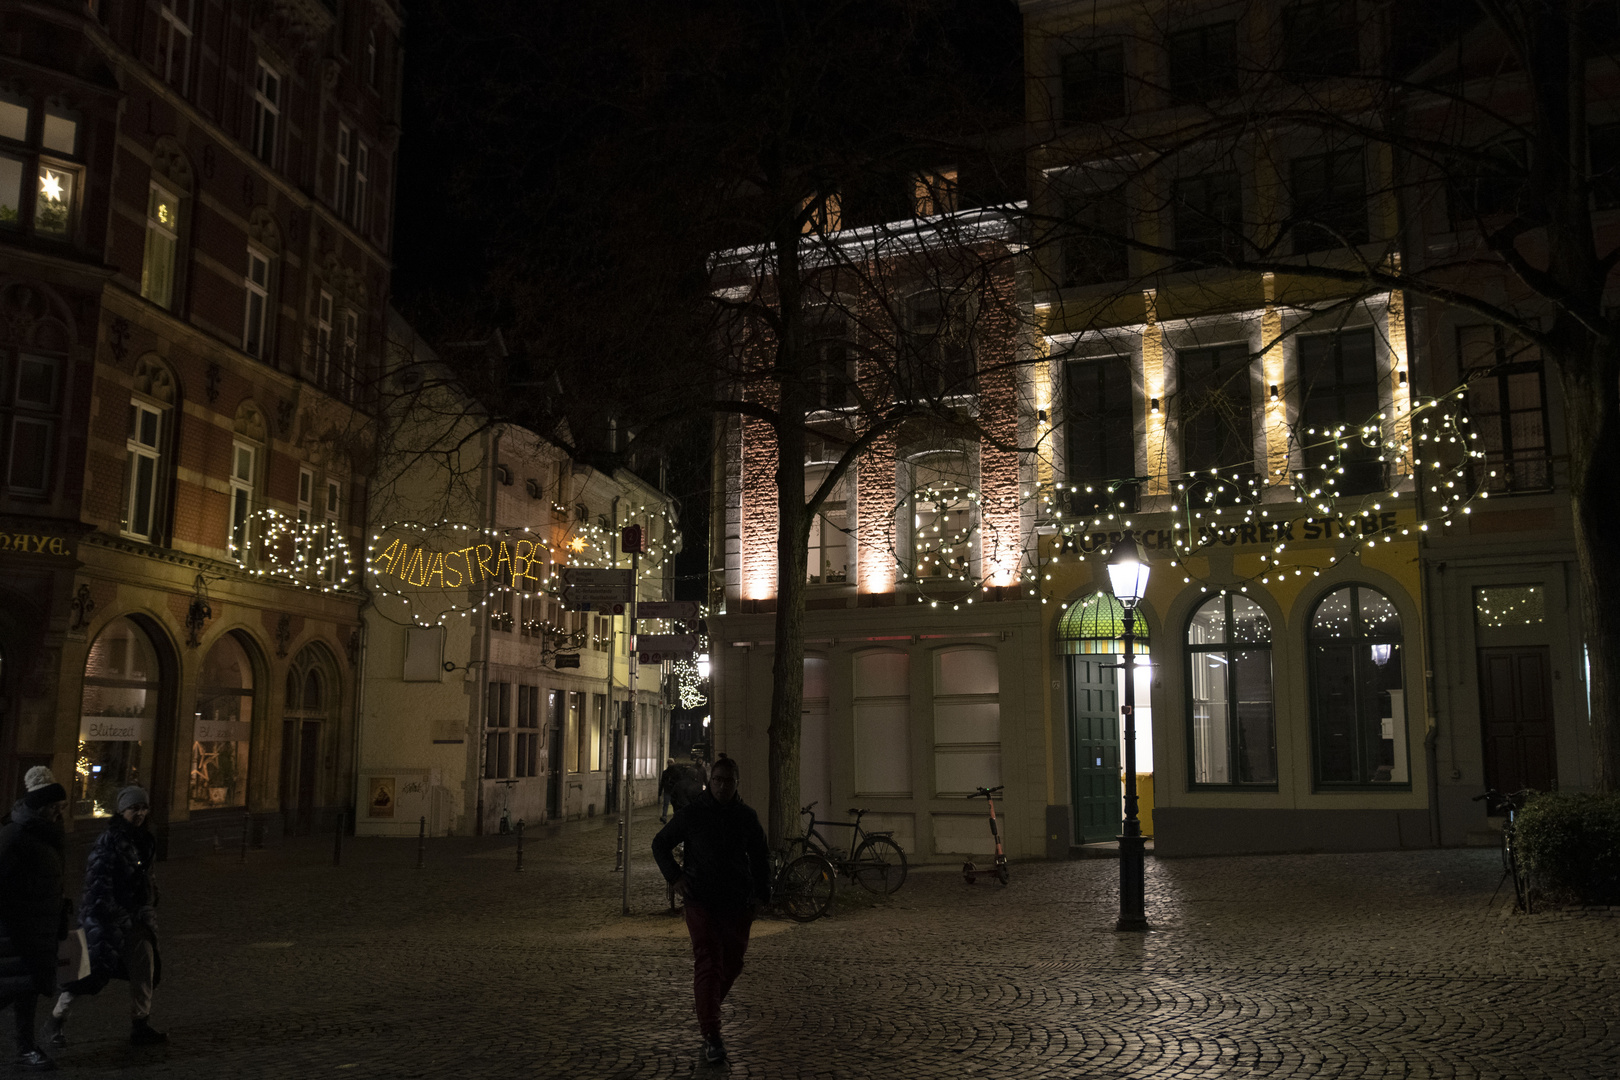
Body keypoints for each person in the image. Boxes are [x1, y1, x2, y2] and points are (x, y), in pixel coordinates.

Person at [651, 755, 770, 1066]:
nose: (721, 786)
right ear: (710, 781)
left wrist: (761, 896)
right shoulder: (693, 815)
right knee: (708, 960)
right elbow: (660, 844)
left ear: (736, 783)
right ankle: (712, 1034)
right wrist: (675, 877)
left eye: (727, 781)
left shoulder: (746, 817)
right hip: (701, 899)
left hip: (737, 903)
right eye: (717, 780)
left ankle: (708, 1007)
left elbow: (760, 857)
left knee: (731, 963)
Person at [48, 786, 165, 1047]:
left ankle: (140, 1023)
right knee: (83, 974)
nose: (140, 813)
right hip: (108, 919)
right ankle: (57, 1019)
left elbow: (148, 874)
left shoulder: (146, 840)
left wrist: (151, 894)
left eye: (144, 808)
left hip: (138, 918)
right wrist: (104, 915)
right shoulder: (109, 841)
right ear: (122, 810)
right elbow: (97, 883)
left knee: (144, 968)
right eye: (134, 808)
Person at [0, 766, 69, 1072]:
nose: (59, 812)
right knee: (10, 988)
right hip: (15, 929)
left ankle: (26, 1047)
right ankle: (25, 1048)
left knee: (27, 988)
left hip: (39, 925)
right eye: (55, 807)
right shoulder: (14, 835)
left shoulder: (47, 834)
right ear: (41, 807)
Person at [658, 758, 681, 822]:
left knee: (674, 804)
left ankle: (675, 816)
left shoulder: (677, 772)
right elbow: (662, 782)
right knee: (666, 804)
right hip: (667, 790)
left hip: (674, 790)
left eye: (671, 762)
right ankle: (664, 816)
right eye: (669, 762)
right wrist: (660, 791)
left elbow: (679, 781)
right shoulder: (665, 772)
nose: (670, 763)